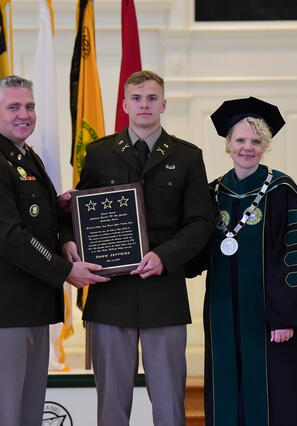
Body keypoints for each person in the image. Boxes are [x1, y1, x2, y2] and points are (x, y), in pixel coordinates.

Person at [61, 70, 214, 426]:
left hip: (164, 292)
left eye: (151, 98)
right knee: (112, 405)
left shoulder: (188, 156)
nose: (144, 105)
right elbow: (77, 210)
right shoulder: (99, 154)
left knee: (170, 404)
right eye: (137, 98)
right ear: (124, 103)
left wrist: (166, 256)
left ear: (163, 103)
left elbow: (201, 222)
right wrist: (68, 240)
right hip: (111, 295)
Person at [0, 75, 109, 426]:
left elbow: (32, 219)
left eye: (29, 106)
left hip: (33, 301)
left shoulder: (26, 158)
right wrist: (65, 271)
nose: (24, 114)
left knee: (28, 409)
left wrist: (61, 211)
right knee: (4, 411)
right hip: (4, 304)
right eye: (14, 107)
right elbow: (10, 236)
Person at [193, 97, 297, 426]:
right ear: (227, 143)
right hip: (224, 315)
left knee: (275, 398)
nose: (247, 148)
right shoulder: (213, 193)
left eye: (256, 141)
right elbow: (194, 249)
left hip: (269, 321)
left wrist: (285, 317)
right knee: (227, 390)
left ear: (265, 145)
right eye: (240, 140)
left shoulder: (281, 190)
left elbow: (296, 256)